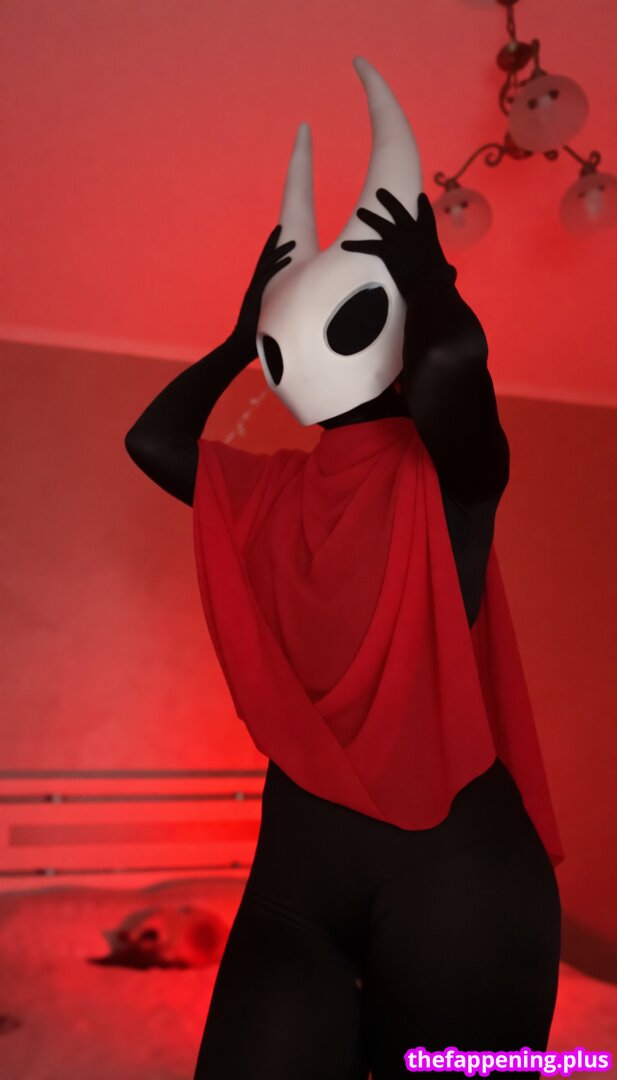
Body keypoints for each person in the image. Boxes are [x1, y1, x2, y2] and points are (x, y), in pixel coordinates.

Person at [125, 57, 563, 1080]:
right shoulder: (276, 489)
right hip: (302, 882)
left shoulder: (441, 471)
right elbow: (151, 442)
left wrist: (413, 282)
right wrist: (259, 327)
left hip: (456, 878)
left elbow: (448, 366)